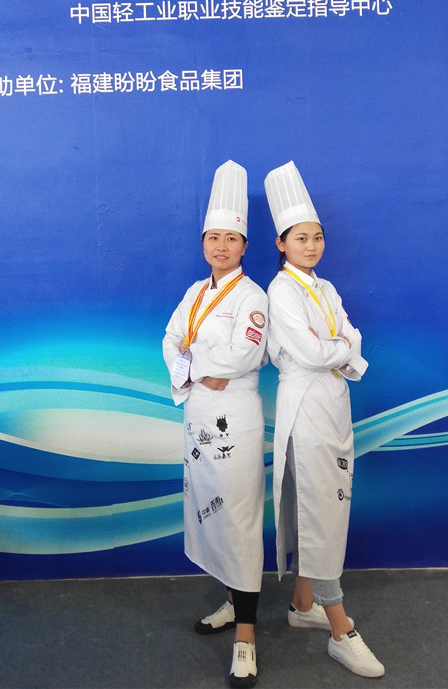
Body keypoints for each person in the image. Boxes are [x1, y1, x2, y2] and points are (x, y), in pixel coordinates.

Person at [264, 161, 385, 679]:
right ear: (281, 244)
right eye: (300, 238)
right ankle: (340, 631)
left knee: (322, 505)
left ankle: (302, 603)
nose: (311, 245)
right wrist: (338, 349)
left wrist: (335, 348)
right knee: (319, 512)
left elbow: (351, 339)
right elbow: (315, 352)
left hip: (333, 402)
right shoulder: (281, 291)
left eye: (317, 237)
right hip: (305, 409)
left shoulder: (326, 287)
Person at [163, 160, 268, 689]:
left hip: (236, 422)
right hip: (199, 417)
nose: (221, 246)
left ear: (245, 245)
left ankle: (246, 637)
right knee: (214, 519)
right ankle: (231, 601)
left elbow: (242, 357)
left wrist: (195, 362)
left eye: (231, 238)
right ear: (203, 243)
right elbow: (170, 340)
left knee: (241, 523)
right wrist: (200, 368)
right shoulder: (194, 293)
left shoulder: (253, 297)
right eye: (213, 238)